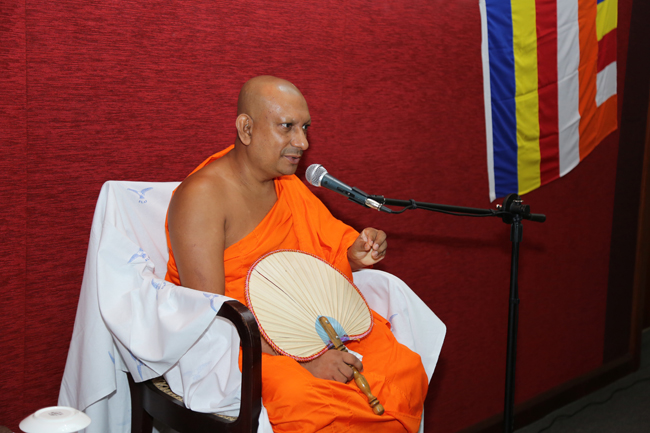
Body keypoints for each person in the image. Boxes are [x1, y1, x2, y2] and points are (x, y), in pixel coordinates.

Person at [165, 75, 428, 432]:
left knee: (403, 369)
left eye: (304, 127)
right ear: (246, 128)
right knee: (309, 401)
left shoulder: (287, 186)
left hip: (313, 323)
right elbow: (213, 317)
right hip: (247, 343)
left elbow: (325, 248)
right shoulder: (202, 198)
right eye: (287, 127)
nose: (302, 142)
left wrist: (356, 251)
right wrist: (306, 362)